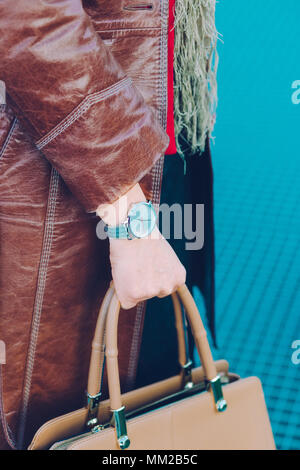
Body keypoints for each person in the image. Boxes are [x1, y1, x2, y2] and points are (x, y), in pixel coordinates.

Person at [0, 0, 218, 449]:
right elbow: (30, 16)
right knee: (56, 424)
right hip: (80, 180)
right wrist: (128, 215)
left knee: (156, 411)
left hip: (156, 157)